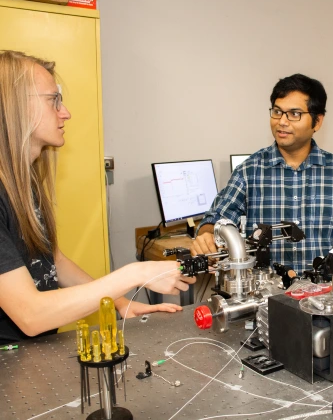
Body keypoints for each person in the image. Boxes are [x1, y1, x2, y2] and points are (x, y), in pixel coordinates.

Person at [0, 50, 196, 345]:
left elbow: (51, 260)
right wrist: (136, 273)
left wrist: (119, 302)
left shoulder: (22, 182)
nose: (65, 112)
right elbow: (30, 315)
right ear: (14, 107)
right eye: (53, 100)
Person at [191, 74, 333, 272]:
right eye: (277, 112)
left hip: (325, 295)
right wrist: (206, 237)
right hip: (266, 296)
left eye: (294, 114)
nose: (282, 122)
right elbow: (215, 219)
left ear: (317, 121)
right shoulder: (249, 171)